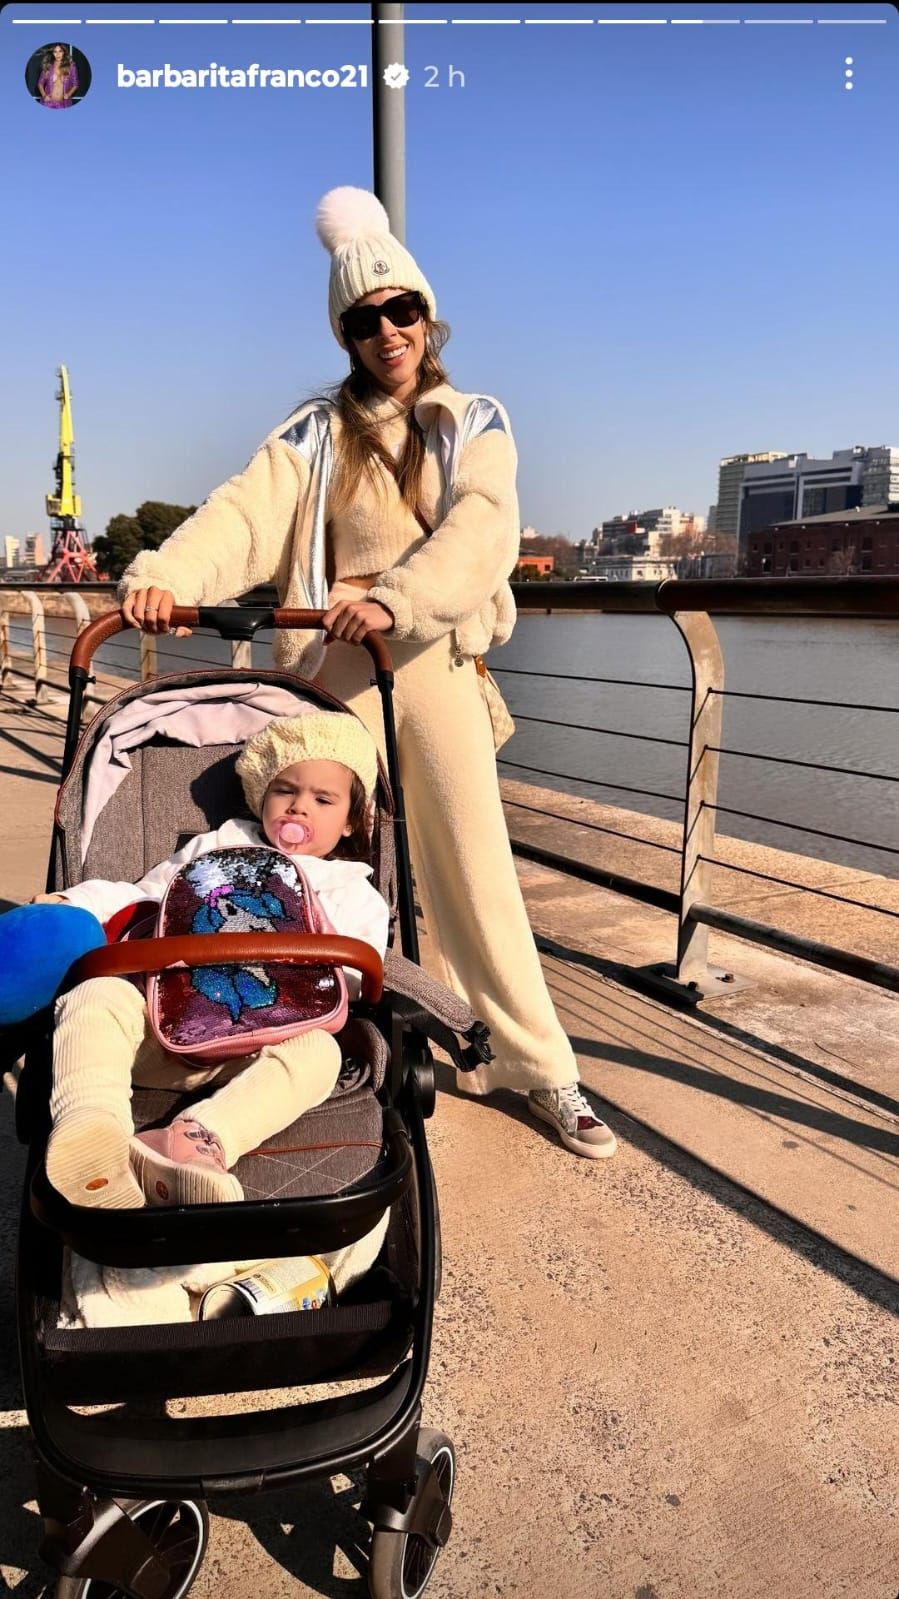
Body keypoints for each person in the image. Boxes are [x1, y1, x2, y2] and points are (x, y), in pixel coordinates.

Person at [116, 185, 617, 1162]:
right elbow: (241, 516)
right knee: (311, 863)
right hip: (331, 674)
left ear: (427, 316)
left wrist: (397, 595)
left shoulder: (470, 419)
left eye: (402, 309)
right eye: (363, 317)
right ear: (343, 333)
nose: (386, 329)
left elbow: (482, 524)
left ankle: (537, 1065)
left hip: (426, 660)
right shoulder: (315, 432)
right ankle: (290, 1039)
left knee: (473, 872)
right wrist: (166, 574)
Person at [35, 712, 392, 1215]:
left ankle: (200, 1140)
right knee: (96, 995)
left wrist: (316, 931)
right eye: (284, 790)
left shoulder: (353, 891)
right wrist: (75, 903)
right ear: (259, 796)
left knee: (321, 1054)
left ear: (352, 820)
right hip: (166, 1031)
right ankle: (93, 1124)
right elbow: (142, 897)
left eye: (323, 799)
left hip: (264, 1049)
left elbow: (357, 977)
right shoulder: (219, 846)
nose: (298, 807)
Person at [37, 43, 77, 108]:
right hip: (48, 103)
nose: (58, 54)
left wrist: (68, 94)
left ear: (64, 52)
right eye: (55, 52)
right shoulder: (48, 66)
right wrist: (44, 95)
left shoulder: (71, 66)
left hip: (64, 104)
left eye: (60, 51)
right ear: (52, 53)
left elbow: (75, 84)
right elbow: (40, 83)